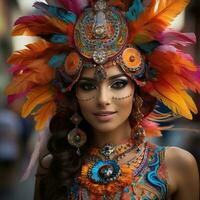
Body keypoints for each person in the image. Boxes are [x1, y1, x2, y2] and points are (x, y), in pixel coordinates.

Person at [5, 0, 200, 199]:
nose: (103, 99)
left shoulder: (177, 165)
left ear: (137, 89)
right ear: (73, 94)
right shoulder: (52, 168)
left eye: (118, 84)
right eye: (88, 86)